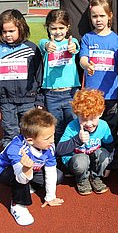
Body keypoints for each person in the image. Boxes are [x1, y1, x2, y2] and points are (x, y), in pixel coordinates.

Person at [0, 108, 64, 226]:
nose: (52, 140)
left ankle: (29, 185)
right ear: (30, 140)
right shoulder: (17, 149)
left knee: (58, 176)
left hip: (32, 169)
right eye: (47, 138)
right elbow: (20, 178)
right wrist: (26, 169)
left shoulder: (49, 145)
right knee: (20, 179)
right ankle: (18, 205)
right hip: (5, 171)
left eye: (53, 135)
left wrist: (50, 197)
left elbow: (50, 171)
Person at [0, 9, 44, 147]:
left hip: (28, 100)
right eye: (4, 32)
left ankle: (33, 163)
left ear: (21, 28)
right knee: (10, 133)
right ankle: (13, 163)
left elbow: (39, 75)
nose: (7, 35)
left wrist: (40, 98)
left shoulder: (32, 49)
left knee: (30, 133)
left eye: (11, 31)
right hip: (7, 101)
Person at [79, 0, 118, 168]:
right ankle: (92, 158)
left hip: (111, 94)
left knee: (111, 128)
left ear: (109, 16)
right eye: (94, 16)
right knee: (92, 127)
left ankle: (110, 159)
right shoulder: (87, 38)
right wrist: (86, 64)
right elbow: (83, 58)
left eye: (102, 16)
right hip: (92, 94)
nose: (98, 20)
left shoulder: (116, 40)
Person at [56, 89, 113, 195]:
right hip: (77, 158)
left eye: (92, 118)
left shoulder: (104, 125)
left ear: (100, 114)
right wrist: (77, 140)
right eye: (84, 119)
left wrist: (108, 165)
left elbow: (109, 145)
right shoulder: (72, 127)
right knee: (81, 161)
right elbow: (59, 150)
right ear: (77, 115)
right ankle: (82, 179)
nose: (89, 124)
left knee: (104, 155)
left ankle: (95, 177)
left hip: (92, 156)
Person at [39, 9, 80, 144]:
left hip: (70, 93)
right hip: (51, 94)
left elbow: (74, 47)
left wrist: (72, 48)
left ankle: (72, 154)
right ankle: (57, 155)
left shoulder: (71, 41)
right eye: (54, 28)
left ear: (67, 28)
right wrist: (48, 46)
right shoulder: (45, 42)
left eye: (61, 28)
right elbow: (44, 44)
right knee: (56, 128)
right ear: (48, 28)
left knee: (73, 125)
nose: (58, 31)